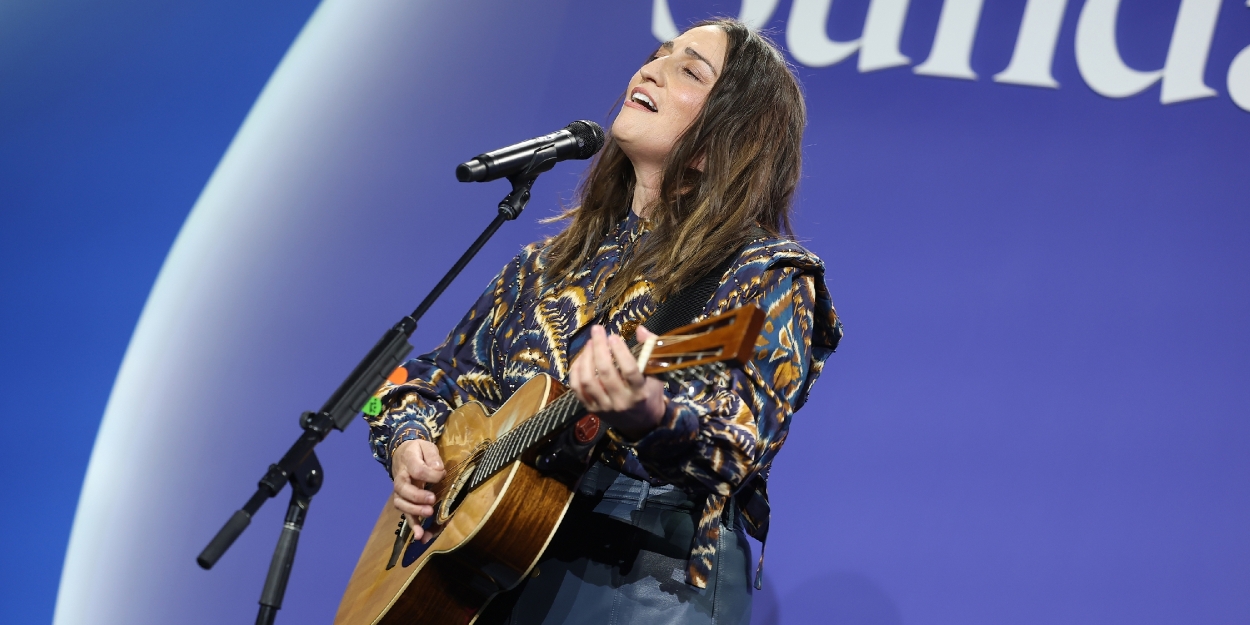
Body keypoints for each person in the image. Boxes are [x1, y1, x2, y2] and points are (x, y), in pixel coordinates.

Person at [365, 18, 841, 624]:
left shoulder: (766, 277)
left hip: (642, 579)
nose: (649, 70)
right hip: (497, 573)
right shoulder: (543, 266)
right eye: (658, 55)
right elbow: (419, 380)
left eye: (689, 70)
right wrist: (408, 439)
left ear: (732, 136)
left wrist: (652, 413)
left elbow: (741, 442)